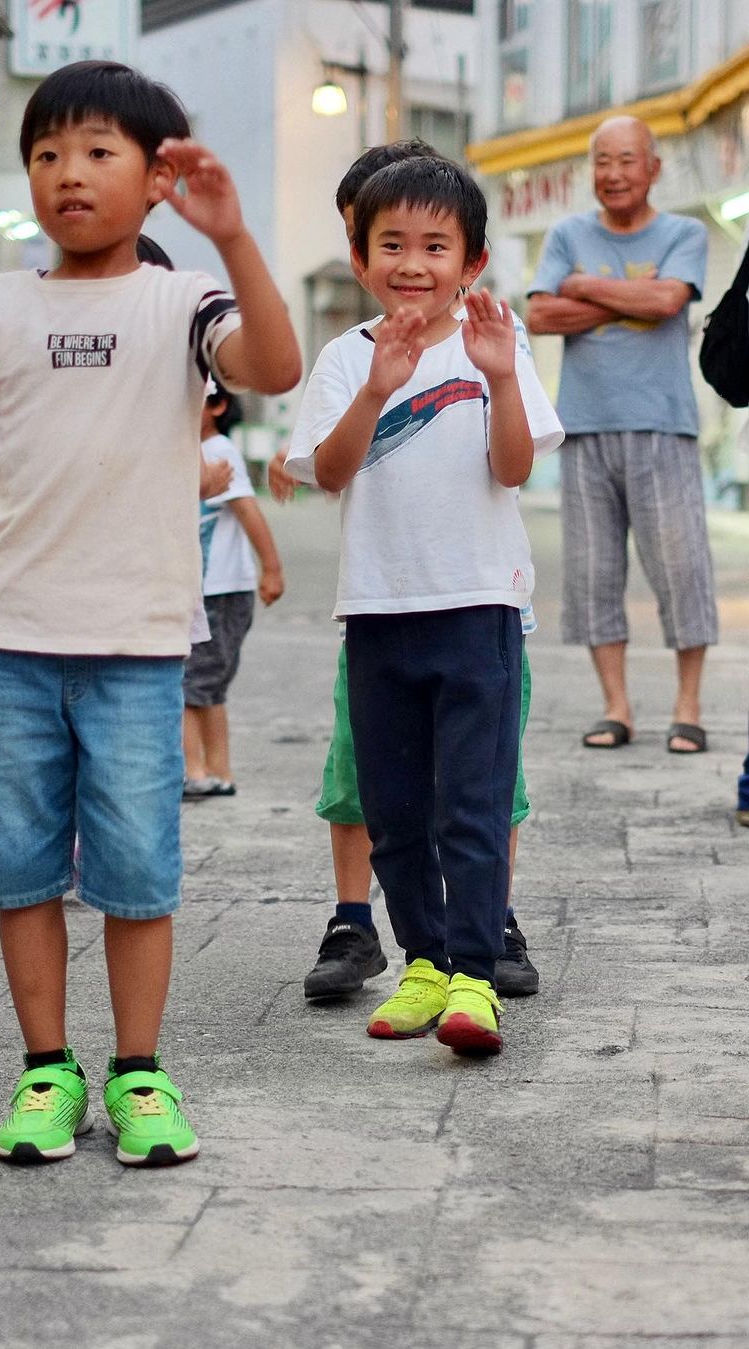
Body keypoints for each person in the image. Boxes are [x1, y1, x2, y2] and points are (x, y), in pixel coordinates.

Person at [0, 61, 301, 1164]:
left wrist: (234, 237)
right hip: (7, 644)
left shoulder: (182, 301)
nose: (68, 174)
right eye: (47, 155)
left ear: (154, 182)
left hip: (138, 646)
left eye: (98, 152)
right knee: (20, 865)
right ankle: (47, 1069)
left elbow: (273, 365)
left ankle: (140, 1073)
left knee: (139, 870)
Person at [286, 156, 562, 1056]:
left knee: (473, 805)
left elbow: (514, 468)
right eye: (391, 243)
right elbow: (327, 471)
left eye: (435, 245)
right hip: (376, 610)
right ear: (361, 257)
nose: (413, 262)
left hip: (479, 605)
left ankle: (476, 980)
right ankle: (424, 964)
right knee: (395, 805)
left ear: (471, 261)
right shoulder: (343, 357)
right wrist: (376, 386)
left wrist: (503, 377)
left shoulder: (495, 343)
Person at [526, 115, 715, 755]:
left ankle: (687, 707)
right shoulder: (565, 231)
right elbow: (540, 313)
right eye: (602, 160)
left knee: (682, 569)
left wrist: (584, 286)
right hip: (582, 427)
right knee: (592, 575)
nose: (613, 173)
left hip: (664, 425)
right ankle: (617, 707)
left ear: (653, 167)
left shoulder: (685, 231)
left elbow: (671, 303)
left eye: (627, 160)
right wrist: (635, 294)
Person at [183, 382, 284, 797]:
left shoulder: (219, 452)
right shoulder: (192, 450)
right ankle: (218, 770)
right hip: (206, 590)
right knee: (206, 685)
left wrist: (272, 568)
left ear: (219, 405)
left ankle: (196, 771)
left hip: (218, 592)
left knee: (189, 685)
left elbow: (247, 509)